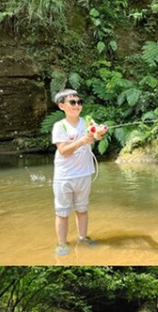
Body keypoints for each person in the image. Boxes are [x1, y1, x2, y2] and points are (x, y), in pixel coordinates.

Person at [51, 88, 106, 256]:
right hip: (64, 176)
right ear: (62, 106)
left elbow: (96, 136)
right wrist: (82, 141)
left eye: (79, 102)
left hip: (84, 174)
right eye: (72, 102)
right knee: (62, 212)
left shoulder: (87, 122)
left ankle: (83, 238)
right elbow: (63, 151)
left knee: (82, 209)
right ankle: (62, 243)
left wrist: (100, 132)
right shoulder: (59, 126)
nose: (77, 105)